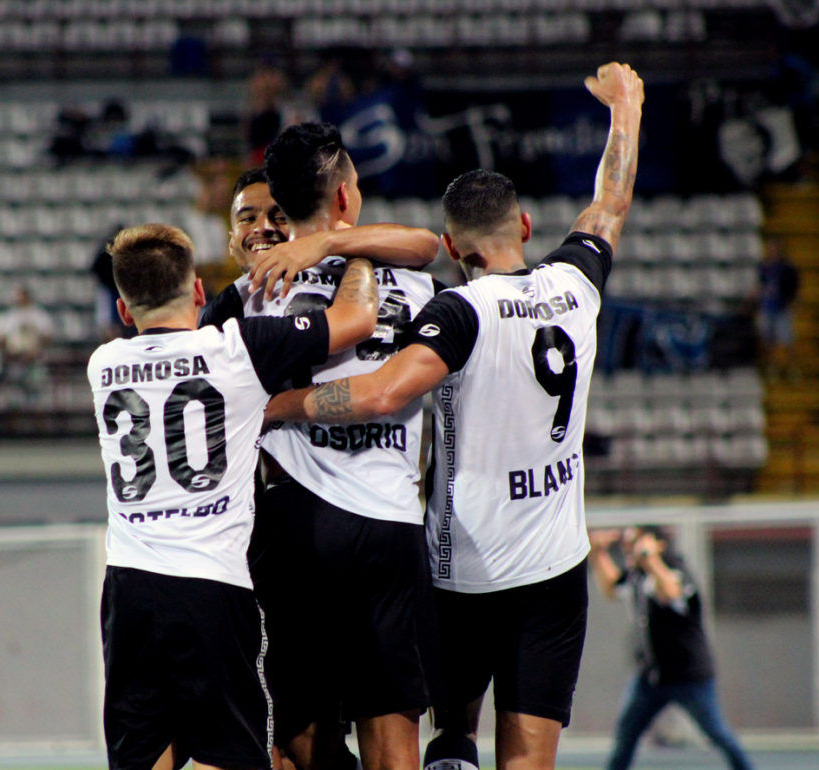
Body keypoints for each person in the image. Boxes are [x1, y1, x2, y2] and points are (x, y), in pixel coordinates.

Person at [264, 63, 644, 770]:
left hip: (461, 565)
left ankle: (456, 742)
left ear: (455, 247)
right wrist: (628, 107)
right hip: (555, 566)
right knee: (528, 758)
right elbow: (609, 203)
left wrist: (280, 406)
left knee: (442, 733)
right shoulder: (575, 282)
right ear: (525, 226)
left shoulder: (456, 311)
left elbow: (379, 395)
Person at [87, 223, 378, 770]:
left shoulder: (103, 365)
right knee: (231, 753)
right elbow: (357, 318)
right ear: (198, 291)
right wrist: (348, 244)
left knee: (142, 753)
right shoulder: (238, 349)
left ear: (125, 312)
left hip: (128, 587)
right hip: (211, 587)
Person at [233, 123, 443, 770]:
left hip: (296, 521)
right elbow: (429, 244)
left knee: (297, 725)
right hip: (389, 522)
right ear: (347, 197)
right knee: (393, 731)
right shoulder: (419, 286)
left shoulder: (252, 296)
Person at [587, 526, 755, 770]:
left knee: (718, 733)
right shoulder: (638, 577)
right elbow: (613, 588)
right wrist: (598, 554)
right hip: (651, 677)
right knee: (626, 737)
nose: (629, 549)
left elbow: (670, 591)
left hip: (689, 676)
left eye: (635, 542)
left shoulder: (676, 570)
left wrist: (651, 559)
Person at [201, 165, 439, 326]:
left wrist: (328, 243)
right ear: (231, 243)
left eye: (280, 216)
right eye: (247, 218)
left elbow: (426, 245)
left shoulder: (341, 264)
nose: (263, 227)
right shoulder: (228, 307)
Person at [0, 285, 54, 406]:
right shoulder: (9, 316)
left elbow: (48, 336)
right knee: (14, 394)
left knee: (37, 395)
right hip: (15, 359)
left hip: (35, 360)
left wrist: (36, 350)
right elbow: (0, 337)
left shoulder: (39, 315)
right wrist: (9, 352)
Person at [756, 237, 799, 379]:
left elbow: (795, 288)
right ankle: (771, 368)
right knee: (768, 341)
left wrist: (795, 304)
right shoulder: (763, 267)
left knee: (787, 339)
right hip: (768, 307)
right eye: (769, 248)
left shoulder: (787, 267)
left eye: (774, 248)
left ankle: (791, 368)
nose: (771, 251)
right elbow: (761, 286)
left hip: (782, 307)